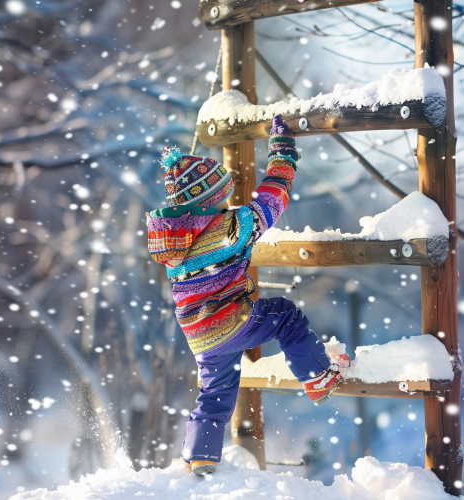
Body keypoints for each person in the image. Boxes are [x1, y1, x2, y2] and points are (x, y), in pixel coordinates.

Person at [147, 115, 348, 476]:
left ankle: (200, 456)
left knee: (215, 394)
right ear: (211, 197)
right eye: (222, 189)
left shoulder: (174, 241)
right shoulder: (230, 227)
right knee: (285, 315)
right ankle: (318, 376)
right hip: (231, 318)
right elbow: (273, 199)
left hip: (199, 333)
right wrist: (282, 154)